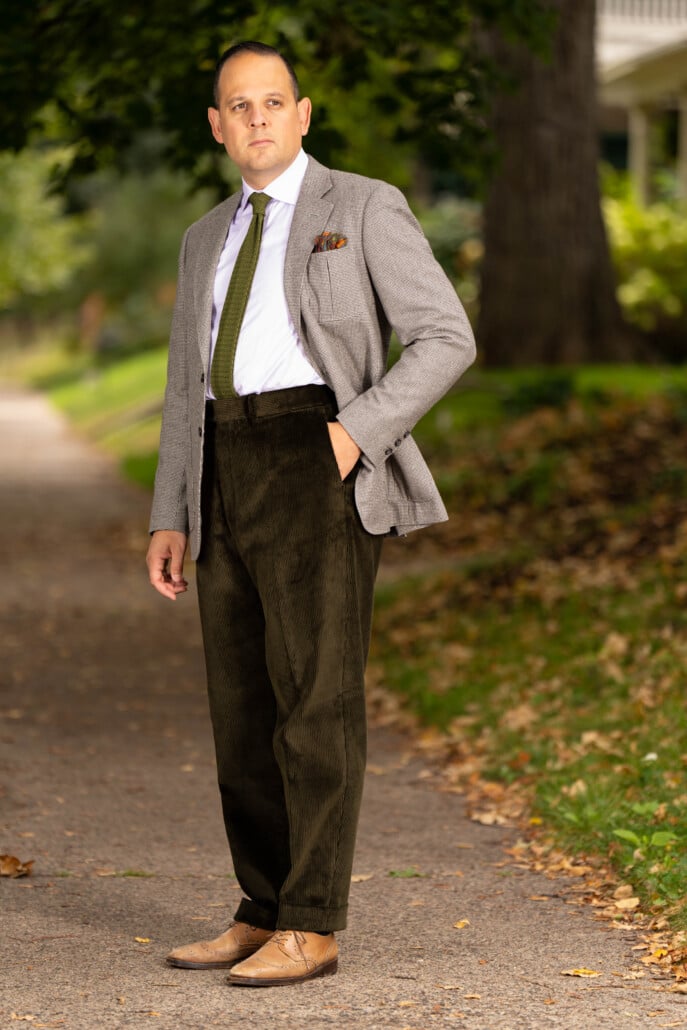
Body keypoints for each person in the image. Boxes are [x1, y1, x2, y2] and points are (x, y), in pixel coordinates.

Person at [146, 40, 476, 988]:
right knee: (241, 706)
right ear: (216, 125)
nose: (254, 119)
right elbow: (179, 387)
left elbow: (444, 336)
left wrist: (351, 433)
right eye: (236, 106)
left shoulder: (361, 206)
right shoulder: (202, 236)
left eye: (271, 102)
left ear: (301, 114)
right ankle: (261, 908)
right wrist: (171, 508)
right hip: (219, 460)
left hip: (314, 452)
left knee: (315, 700)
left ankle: (313, 921)